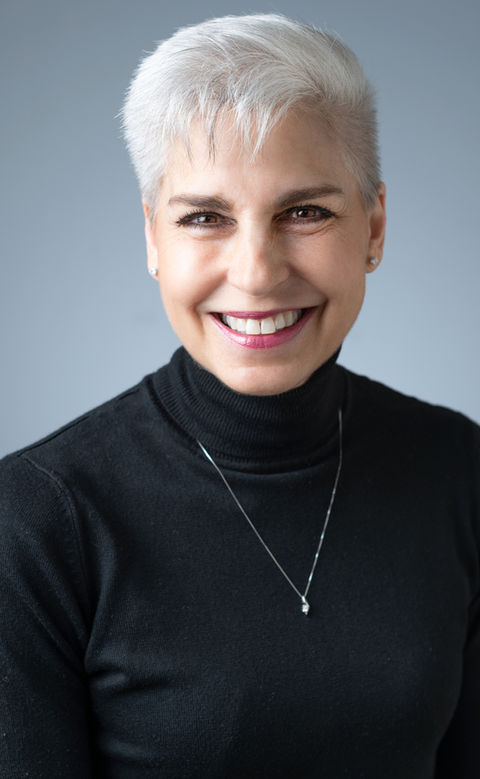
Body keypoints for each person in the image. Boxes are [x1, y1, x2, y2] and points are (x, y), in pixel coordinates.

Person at [0, 13, 478, 778]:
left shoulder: (460, 468)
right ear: (154, 237)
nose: (256, 273)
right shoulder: (37, 516)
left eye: (305, 211)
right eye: (204, 218)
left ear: (375, 227)